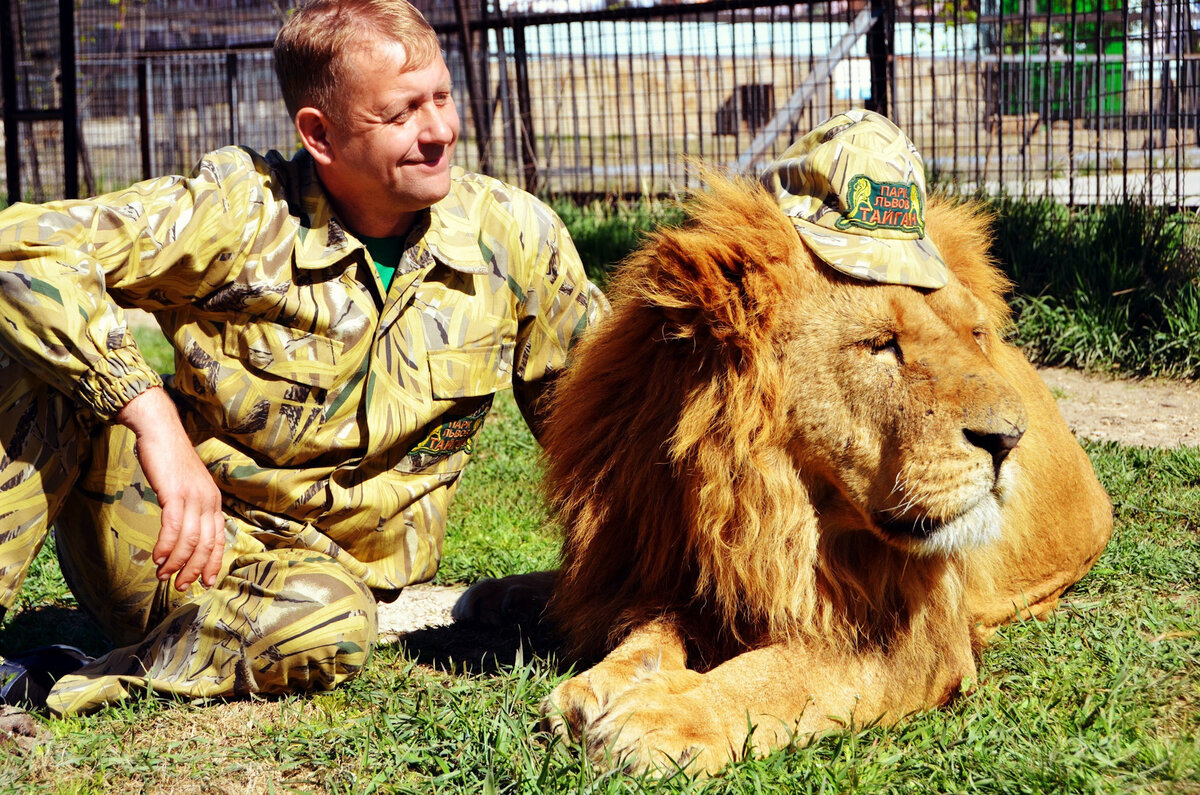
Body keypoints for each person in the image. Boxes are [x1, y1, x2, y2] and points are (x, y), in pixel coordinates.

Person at [0, 0, 606, 717]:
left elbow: (607, 422)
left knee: (336, 623)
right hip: (167, 542)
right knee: (43, 346)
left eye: (442, 96)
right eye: (403, 112)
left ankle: (57, 674)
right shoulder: (243, 213)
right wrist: (150, 414)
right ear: (319, 134)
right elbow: (23, 242)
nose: (439, 130)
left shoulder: (513, 236)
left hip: (314, 595)